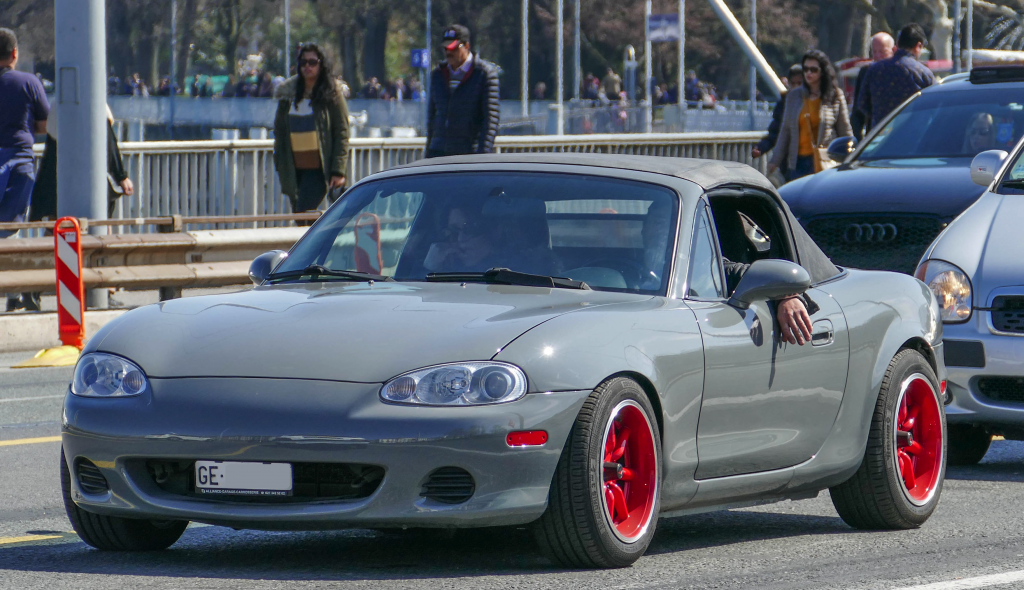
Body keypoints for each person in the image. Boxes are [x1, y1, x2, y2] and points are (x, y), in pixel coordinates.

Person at [0, 28, 49, 311]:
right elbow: (43, 125)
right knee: (11, 226)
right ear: (15, 53)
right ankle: (13, 294)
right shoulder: (29, 82)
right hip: (19, 160)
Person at [273, 43, 350, 216]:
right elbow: (279, 131)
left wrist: (338, 171)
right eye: (303, 62)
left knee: (303, 213)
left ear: (321, 65)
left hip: (319, 170)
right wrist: (279, 161)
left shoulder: (332, 93)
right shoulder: (288, 94)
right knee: (301, 216)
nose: (307, 66)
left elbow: (342, 133)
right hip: (293, 169)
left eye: (312, 62)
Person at [769, 49, 852, 182]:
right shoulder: (793, 96)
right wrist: (774, 161)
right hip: (798, 163)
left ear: (822, 72)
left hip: (824, 161)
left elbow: (845, 130)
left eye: (813, 70)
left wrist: (850, 157)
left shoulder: (835, 95)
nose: (808, 73)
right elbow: (785, 131)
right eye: (806, 69)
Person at [425, 24, 500, 158]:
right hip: (438, 152)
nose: (449, 52)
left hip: (468, 153)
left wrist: (482, 155)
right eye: (446, 48)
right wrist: (429, 151)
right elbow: (432, 117)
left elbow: (490, 119)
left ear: (466, 46)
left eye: (454, 48)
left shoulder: (483, 74)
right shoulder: (438, 74)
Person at [856, 23, 935, 131]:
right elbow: (934, 106)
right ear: (918, 46)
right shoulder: (923, 73)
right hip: (913, 133)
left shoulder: (874, 70)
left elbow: (862, 104)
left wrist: (880, 115)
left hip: (881, 134)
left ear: (898, 43)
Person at [752, 64, 803, 163]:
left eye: (800, 83)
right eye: (793, 83)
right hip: (789, 160)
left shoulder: (813, 103)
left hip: (810, 159)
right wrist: (761, 147)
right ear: (789, 84)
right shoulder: (783, 104)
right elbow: (775, 132)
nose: (796, 87)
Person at [850, 32, 895, 140]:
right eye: (874, 52)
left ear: (893, 50)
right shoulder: (866, 72)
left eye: (882, 52)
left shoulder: (898, 72)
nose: (878, 56)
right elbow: (858, 111)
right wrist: (858, 139)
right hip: (873, 134)